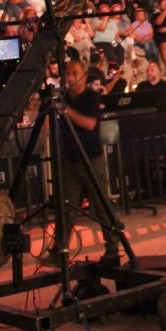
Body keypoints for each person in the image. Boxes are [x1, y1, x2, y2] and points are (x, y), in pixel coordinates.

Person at [52, 59, 120, 263]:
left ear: (84, 75)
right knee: (66, 208)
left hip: (91, 159)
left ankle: (113, 247)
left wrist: (66, 111)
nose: (71, 78)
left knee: (101, 205)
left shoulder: (91, 97)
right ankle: (60, 251)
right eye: (68, 73)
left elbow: (90, 124)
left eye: (75, 73)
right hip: (70, 160)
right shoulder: (64, 98)